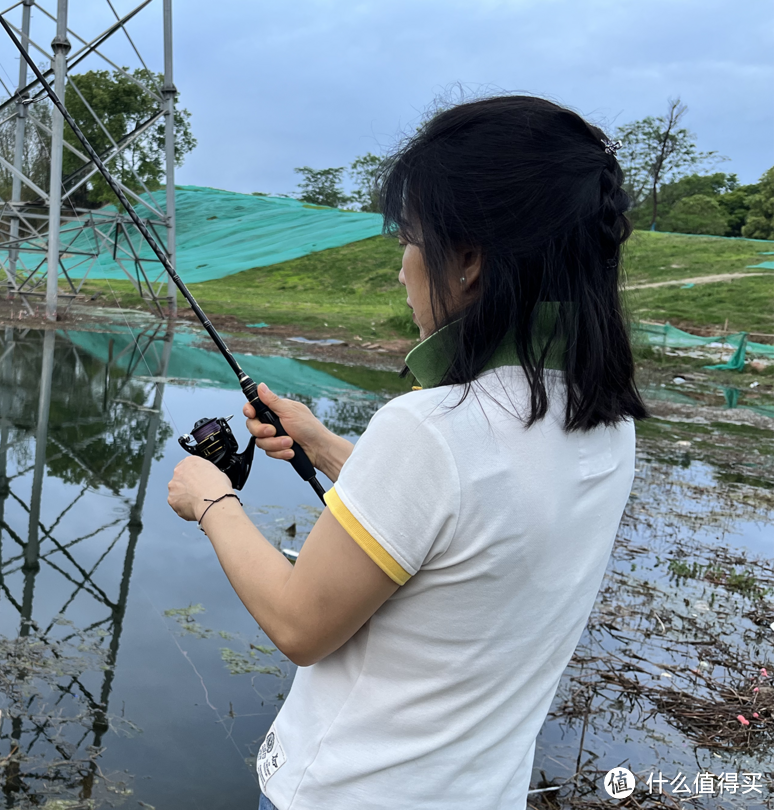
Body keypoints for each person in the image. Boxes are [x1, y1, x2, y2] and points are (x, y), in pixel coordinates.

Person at [167, 95, 646, 809]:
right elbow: (467, 515)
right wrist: (325, 446)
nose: (402, 271)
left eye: (408, 243)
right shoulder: (601, 421)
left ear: (471, 260)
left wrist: (211, 501)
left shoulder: (429, 428)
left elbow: (301, 623)